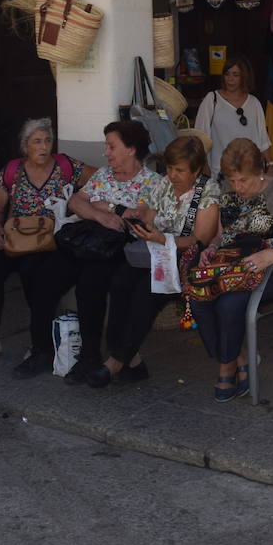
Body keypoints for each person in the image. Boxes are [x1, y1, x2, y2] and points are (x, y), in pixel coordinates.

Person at [86, 134, 222, 388]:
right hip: (156, 253)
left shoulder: (207, 192)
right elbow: (149, 216)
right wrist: (143, 227)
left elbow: (200, 240)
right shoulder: (165, 184)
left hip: (186, 259)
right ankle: (131, 360)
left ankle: (115, 362)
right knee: (120, 281)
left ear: (196, 171)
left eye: (180, 170)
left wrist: (163, 239)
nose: (172, 175)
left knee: (145, 292)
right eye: (169, 168)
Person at [188, 138, 273, 402]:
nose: (238, 187)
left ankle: (226, 368)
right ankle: (239, 357)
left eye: (244, 180)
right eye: (233, 180)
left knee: (229, 304)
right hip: (233, 268)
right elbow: (221, 235)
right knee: (198, 296)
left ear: (260, 171)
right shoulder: (227, 188)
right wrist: (212, 248)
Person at [0, 118, 90, 372]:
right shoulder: (13, 170)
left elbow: (102, 179)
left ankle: (39, 342)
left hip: (50, 240)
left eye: (47, 140)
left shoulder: (65, 166)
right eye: (37, 141)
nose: (43, 146)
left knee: (33, 271)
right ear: (25, 146)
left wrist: (82, 202)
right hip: (17, 239)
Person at [63, 120, 163, 382]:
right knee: (80, 277)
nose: (106, 152)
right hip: (96, 245)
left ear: (130, 149)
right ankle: (99, 357)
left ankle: (99, 358)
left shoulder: (152, 182)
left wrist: (104, 205)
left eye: (111, 146)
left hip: (129, 250)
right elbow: (75, 201)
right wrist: (103, 215)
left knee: (96, 279)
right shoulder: (103, 175)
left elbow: (139, 216)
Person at [194, 57, 270, 176]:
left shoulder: (254, 103)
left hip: (250, 172)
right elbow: (199, 137)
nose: (230, 79)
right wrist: (204, 166)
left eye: (235, 75)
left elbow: (263, 140)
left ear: (244, 77)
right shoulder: (212, 100)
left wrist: (270, 165)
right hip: (219, 172)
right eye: (227, 74)